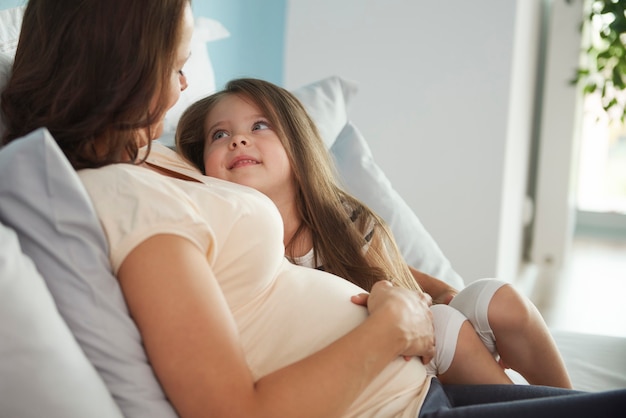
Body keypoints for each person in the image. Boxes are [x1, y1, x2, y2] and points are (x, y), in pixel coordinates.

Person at [2, 1, 624, 417]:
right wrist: (391, 331)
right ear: (128, 68)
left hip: (421, 388)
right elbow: (234, 412)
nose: (183, 86)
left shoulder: (153, 162)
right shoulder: (125, 199)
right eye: (179, 64)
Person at [175, 77, 571, 387]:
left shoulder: (341, 221)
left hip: (421, 331)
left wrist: (442, 293)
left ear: (298, 146)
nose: (238, 139)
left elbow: (395, 271)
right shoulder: (232, 241)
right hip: (392, 360)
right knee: (446, 328)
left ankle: (572, 403)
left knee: (496, 298)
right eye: (219, 135)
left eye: (259, 125)